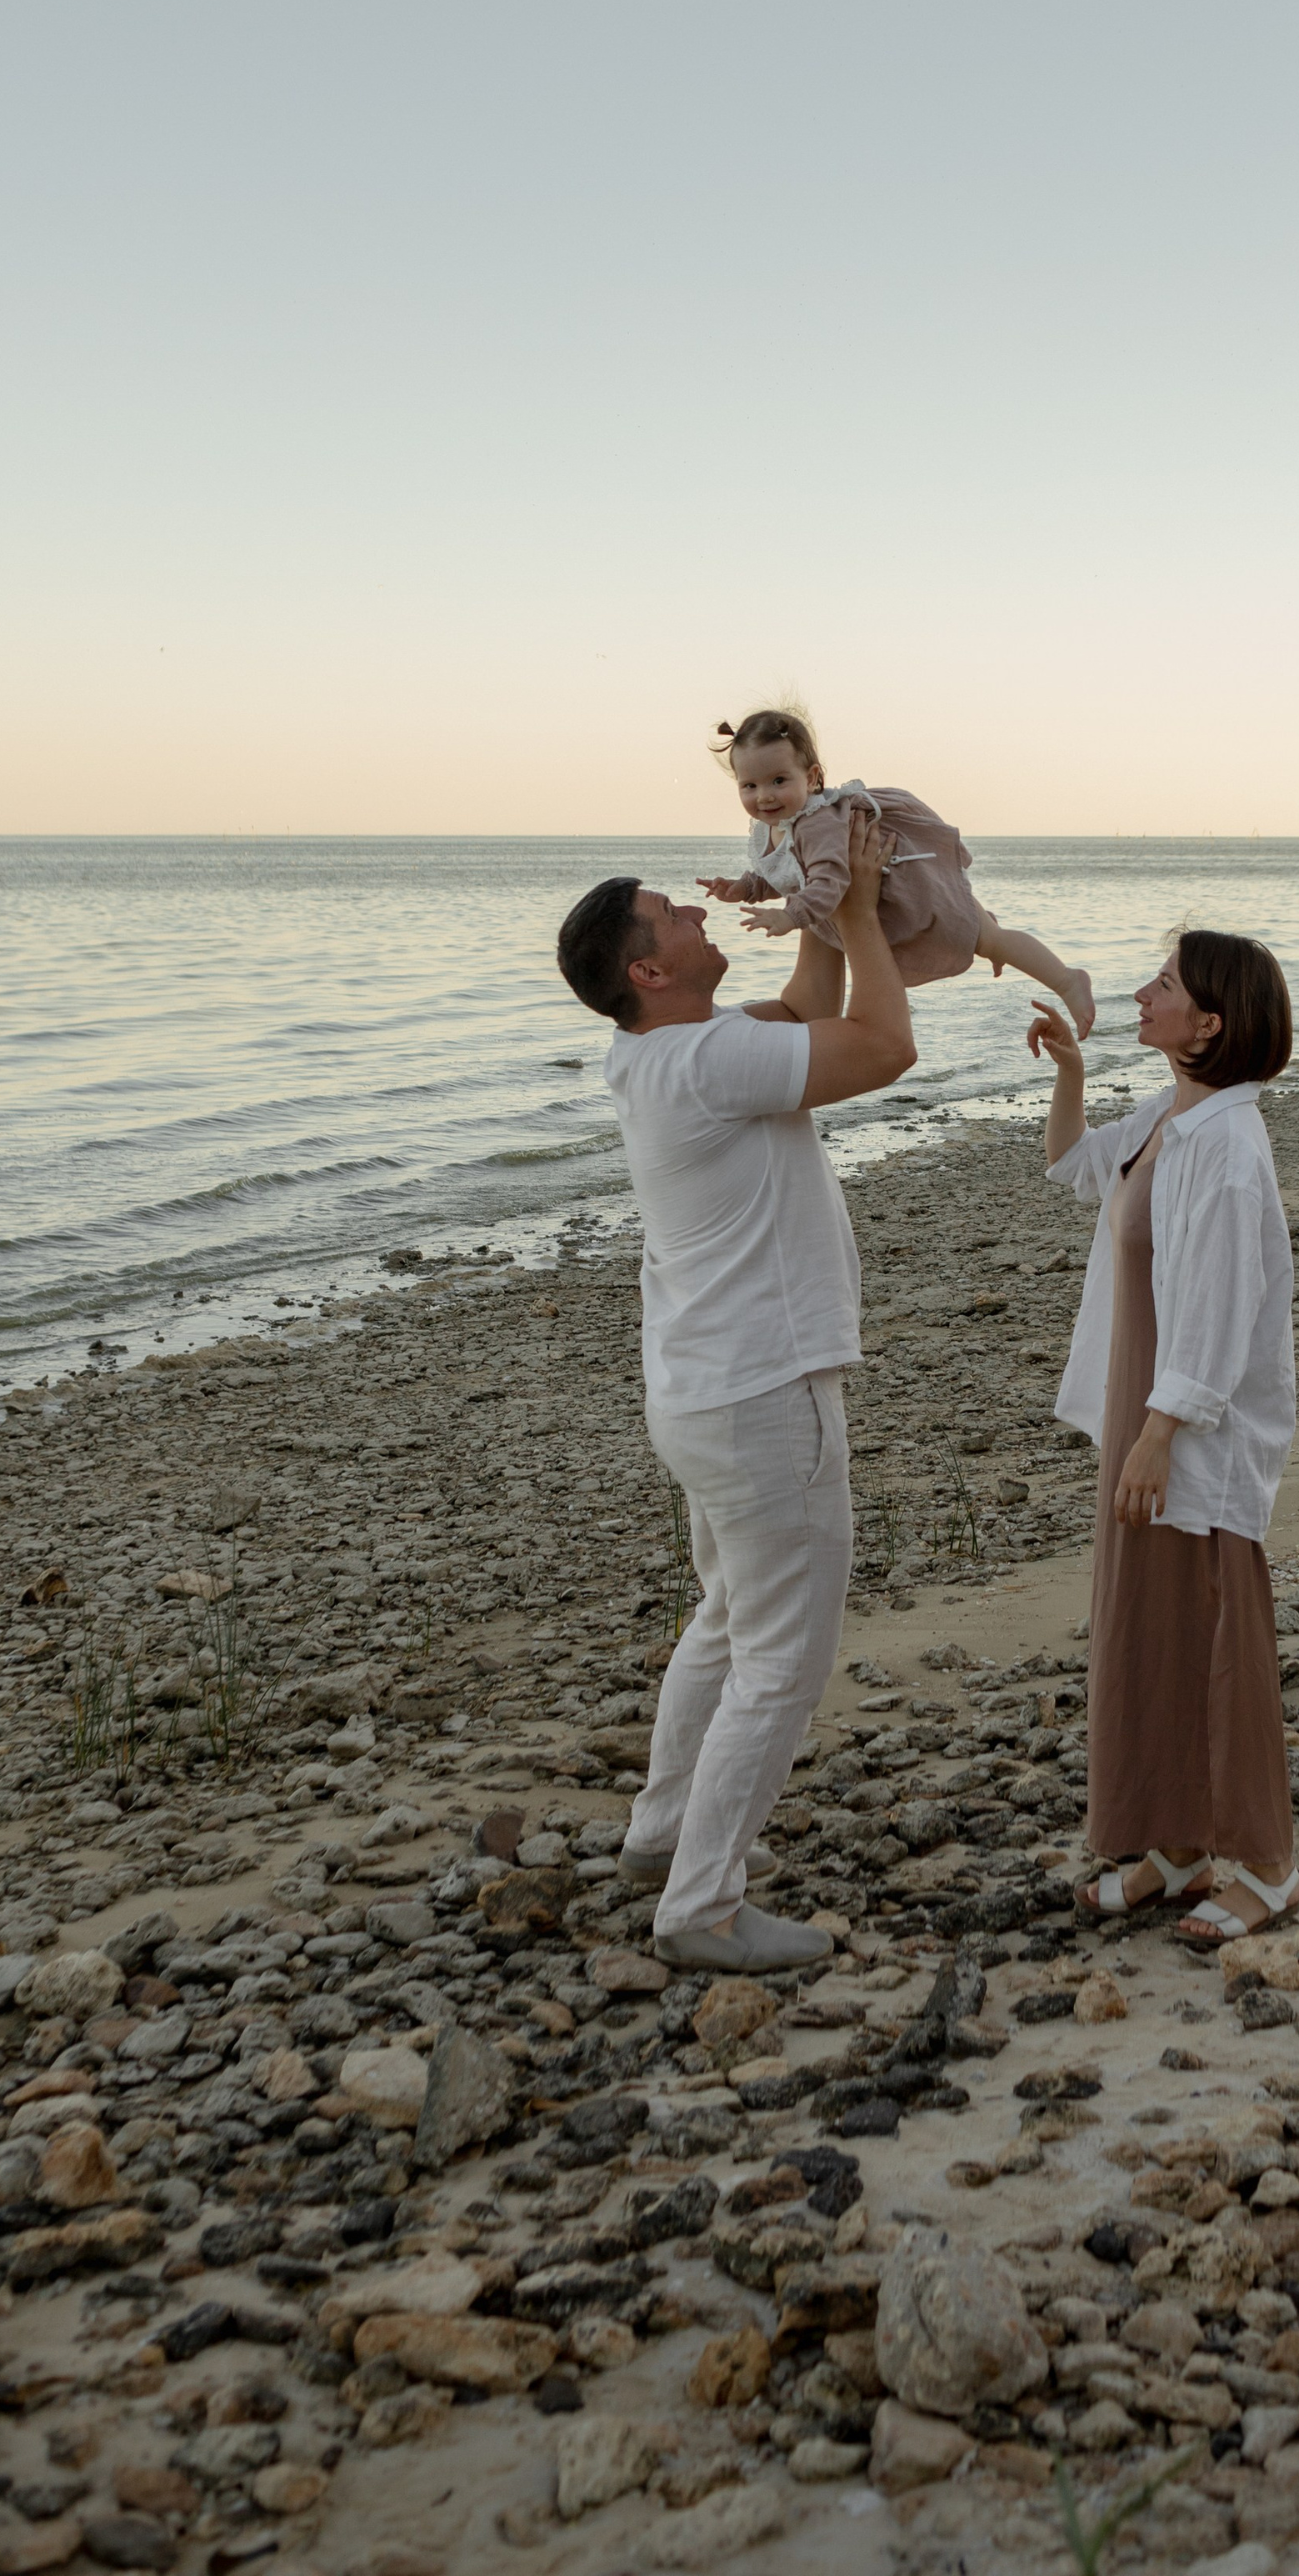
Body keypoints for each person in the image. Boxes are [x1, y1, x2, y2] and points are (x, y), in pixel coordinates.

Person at [554, 818, 916, 1973]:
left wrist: (813, 902)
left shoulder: (661, 1052)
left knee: (726, 1619)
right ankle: (702, 1906)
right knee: (783, 1655)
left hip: (701, 1394)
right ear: (649, 971)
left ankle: (663, 1837)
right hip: (764, 1392)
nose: (700, 911)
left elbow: (809, 1011)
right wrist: (860, 913)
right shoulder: (707, 1062)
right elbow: (879, 1046)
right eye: (675, 916)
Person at [1029, 932, 1299, 1946]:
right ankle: (1180, 1844)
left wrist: (1157, 1436)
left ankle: (1268, 1864)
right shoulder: (1173, 1117)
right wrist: (1070, 1073)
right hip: (1140, 1407)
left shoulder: (1230, 1149)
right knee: (1147, 1625)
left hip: (1189, 1423)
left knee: (1218, 1628)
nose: (1141, 994)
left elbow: (1224, 1314)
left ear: (1211, 1023)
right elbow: (1072, 1166)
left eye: (1164, 985)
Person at [696, 703, 1098, 1039]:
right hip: (898, 896)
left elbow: (828, 880)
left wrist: (790, 915)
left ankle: (1067, 981)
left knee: (990, 939)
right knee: (985, 936)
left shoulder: (816, 823)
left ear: (814, 778)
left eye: (778, 780)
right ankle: (981, 924)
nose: (764, 795)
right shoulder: (775, 824)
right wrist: (743, 887)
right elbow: (784, 873)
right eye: (749, 786)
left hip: (906, 890)